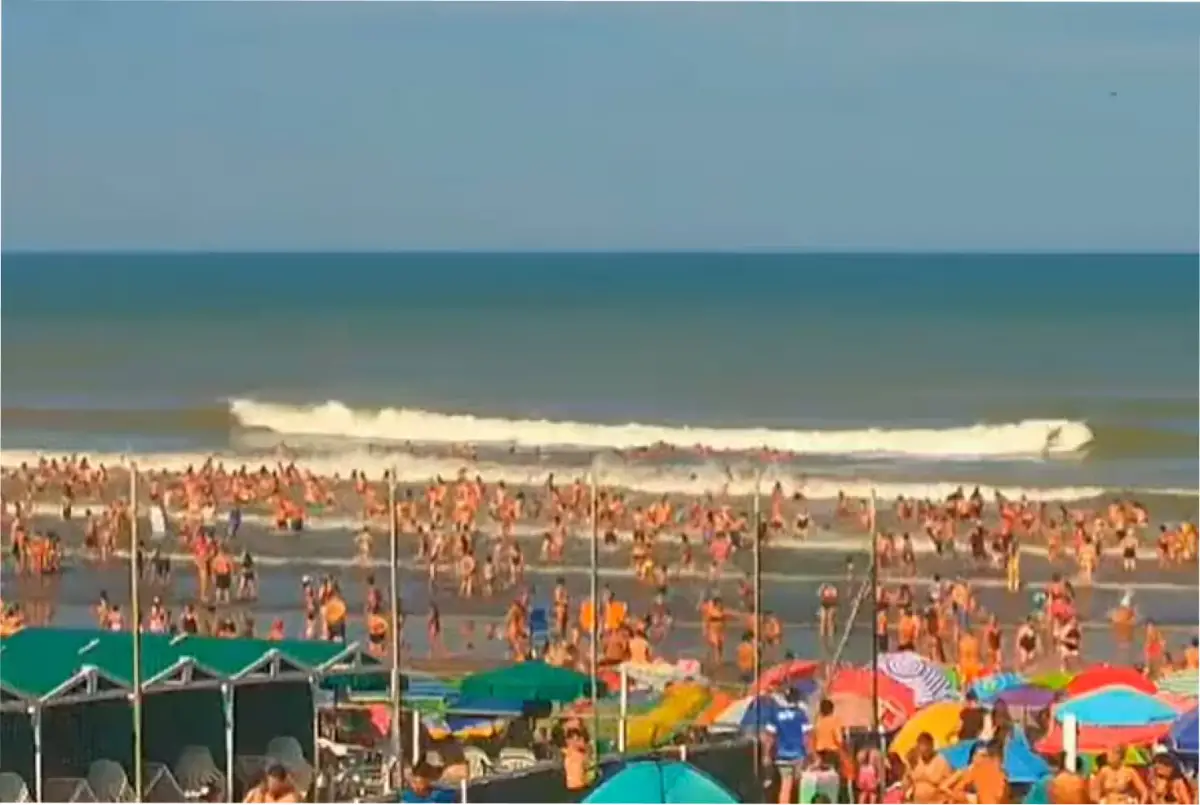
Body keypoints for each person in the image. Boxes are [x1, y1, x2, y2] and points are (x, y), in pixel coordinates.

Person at [942, 741, 1008, 805]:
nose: (981, 758)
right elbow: (943, 787)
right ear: (973, 755)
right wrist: (966, 797)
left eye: (984, 756)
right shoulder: (964, 771)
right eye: (979, 755)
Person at [905, 733, 952, 804]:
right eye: (922, 745)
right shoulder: (915, 761)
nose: (925, 748)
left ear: (932, 745)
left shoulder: (941, 761)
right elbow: (908, 780)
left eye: (927, 744)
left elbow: (949, 781)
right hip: (917, 801)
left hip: (935, 801)